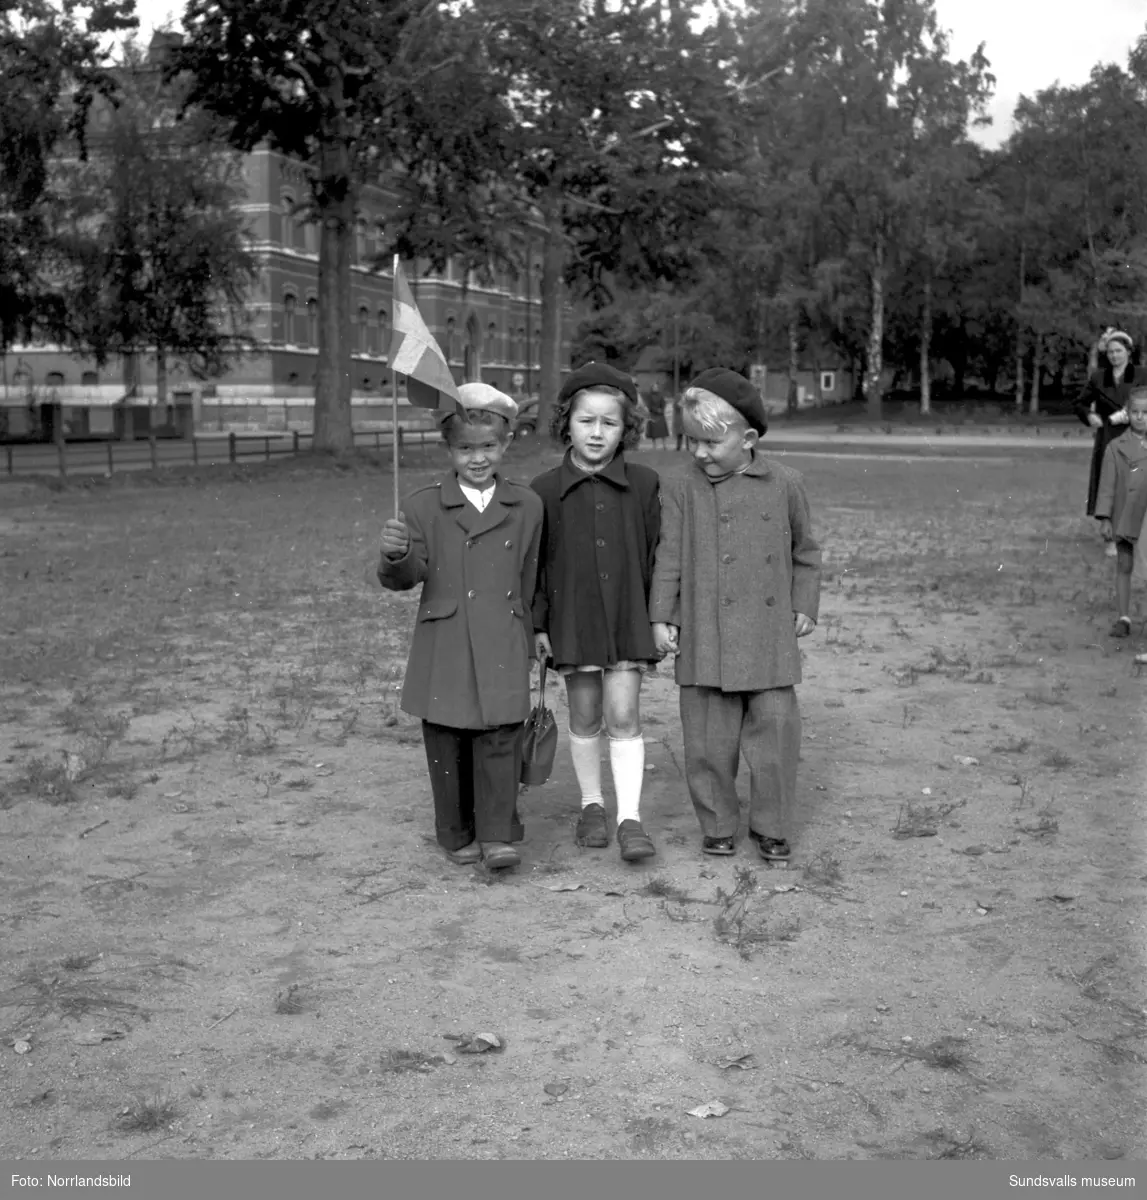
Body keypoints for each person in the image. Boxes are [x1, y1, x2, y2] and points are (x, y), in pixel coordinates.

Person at [649, 368, 821, 861]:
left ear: (747, 439)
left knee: (774, 738)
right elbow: (670, 556)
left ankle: (771, 825)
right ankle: (718, 823)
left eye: (710, 442)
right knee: (706, 743)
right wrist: (663, 615)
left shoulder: (787, 484)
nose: (700, 453)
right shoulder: (681, 486)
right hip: (705, 632)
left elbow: (807, 552)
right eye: (692, 442)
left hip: (767, 636)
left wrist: (803, 604)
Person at [378, 382, 543, 870]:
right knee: (447, 738)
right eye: (465, 448)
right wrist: (397, 554)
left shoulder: (527, 505)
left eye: (488, 446)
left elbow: (533, 577)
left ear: (507, 443)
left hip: (503, 634)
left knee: (500, 735)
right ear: (448, 449)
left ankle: (497, 834)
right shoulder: (421, 506)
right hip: (446, 640)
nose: (477, 458)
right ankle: (453, 832)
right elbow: (405, 579)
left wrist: (535, 634)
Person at [531, 362, 661, 862]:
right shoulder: (543, 490)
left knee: (624, 715)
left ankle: (630, 816)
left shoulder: (646, 485)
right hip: (573, 620)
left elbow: (658, 556)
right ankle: (592, 806)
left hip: (627, 617)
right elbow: (536, 567)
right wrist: (540, 624)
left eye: (610, 423)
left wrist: (660, 615)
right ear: (567, 421)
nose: (597, 432)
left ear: (627, 430)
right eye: (587, 420)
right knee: (584, 715)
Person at [1075, 329, 1138, 557]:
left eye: (1119, 351)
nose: (1114, 356)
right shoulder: (1098, 377)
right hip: (1108, 437)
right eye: (1111, 352)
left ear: (1128, 352)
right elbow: (1080, 403)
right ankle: (1111, 536)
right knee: (1109, 485)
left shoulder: (1142, 375)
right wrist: (1090, 416)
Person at [1094, 386, 1147, 639]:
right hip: (1125, 513)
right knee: (1124, 563)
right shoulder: (1116, 447)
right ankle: (1123, 617)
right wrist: (1104, 516)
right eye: (1135, 412)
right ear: (1127, 413)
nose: (1140, 417)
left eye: (1146, 412)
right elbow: (1106, 484)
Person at [644, 384, 669, 449]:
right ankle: (654, 445)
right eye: (654, 387)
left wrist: (662, 410)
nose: (655, 388)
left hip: (660, 415)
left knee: (663, 430)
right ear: (652, 388)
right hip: (653, 415)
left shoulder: (661, 395)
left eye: (656, 387)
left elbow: (663, 403)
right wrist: (656, 410)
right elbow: (649, 405)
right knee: (653, 432)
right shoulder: (649, 396)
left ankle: (664, 445)